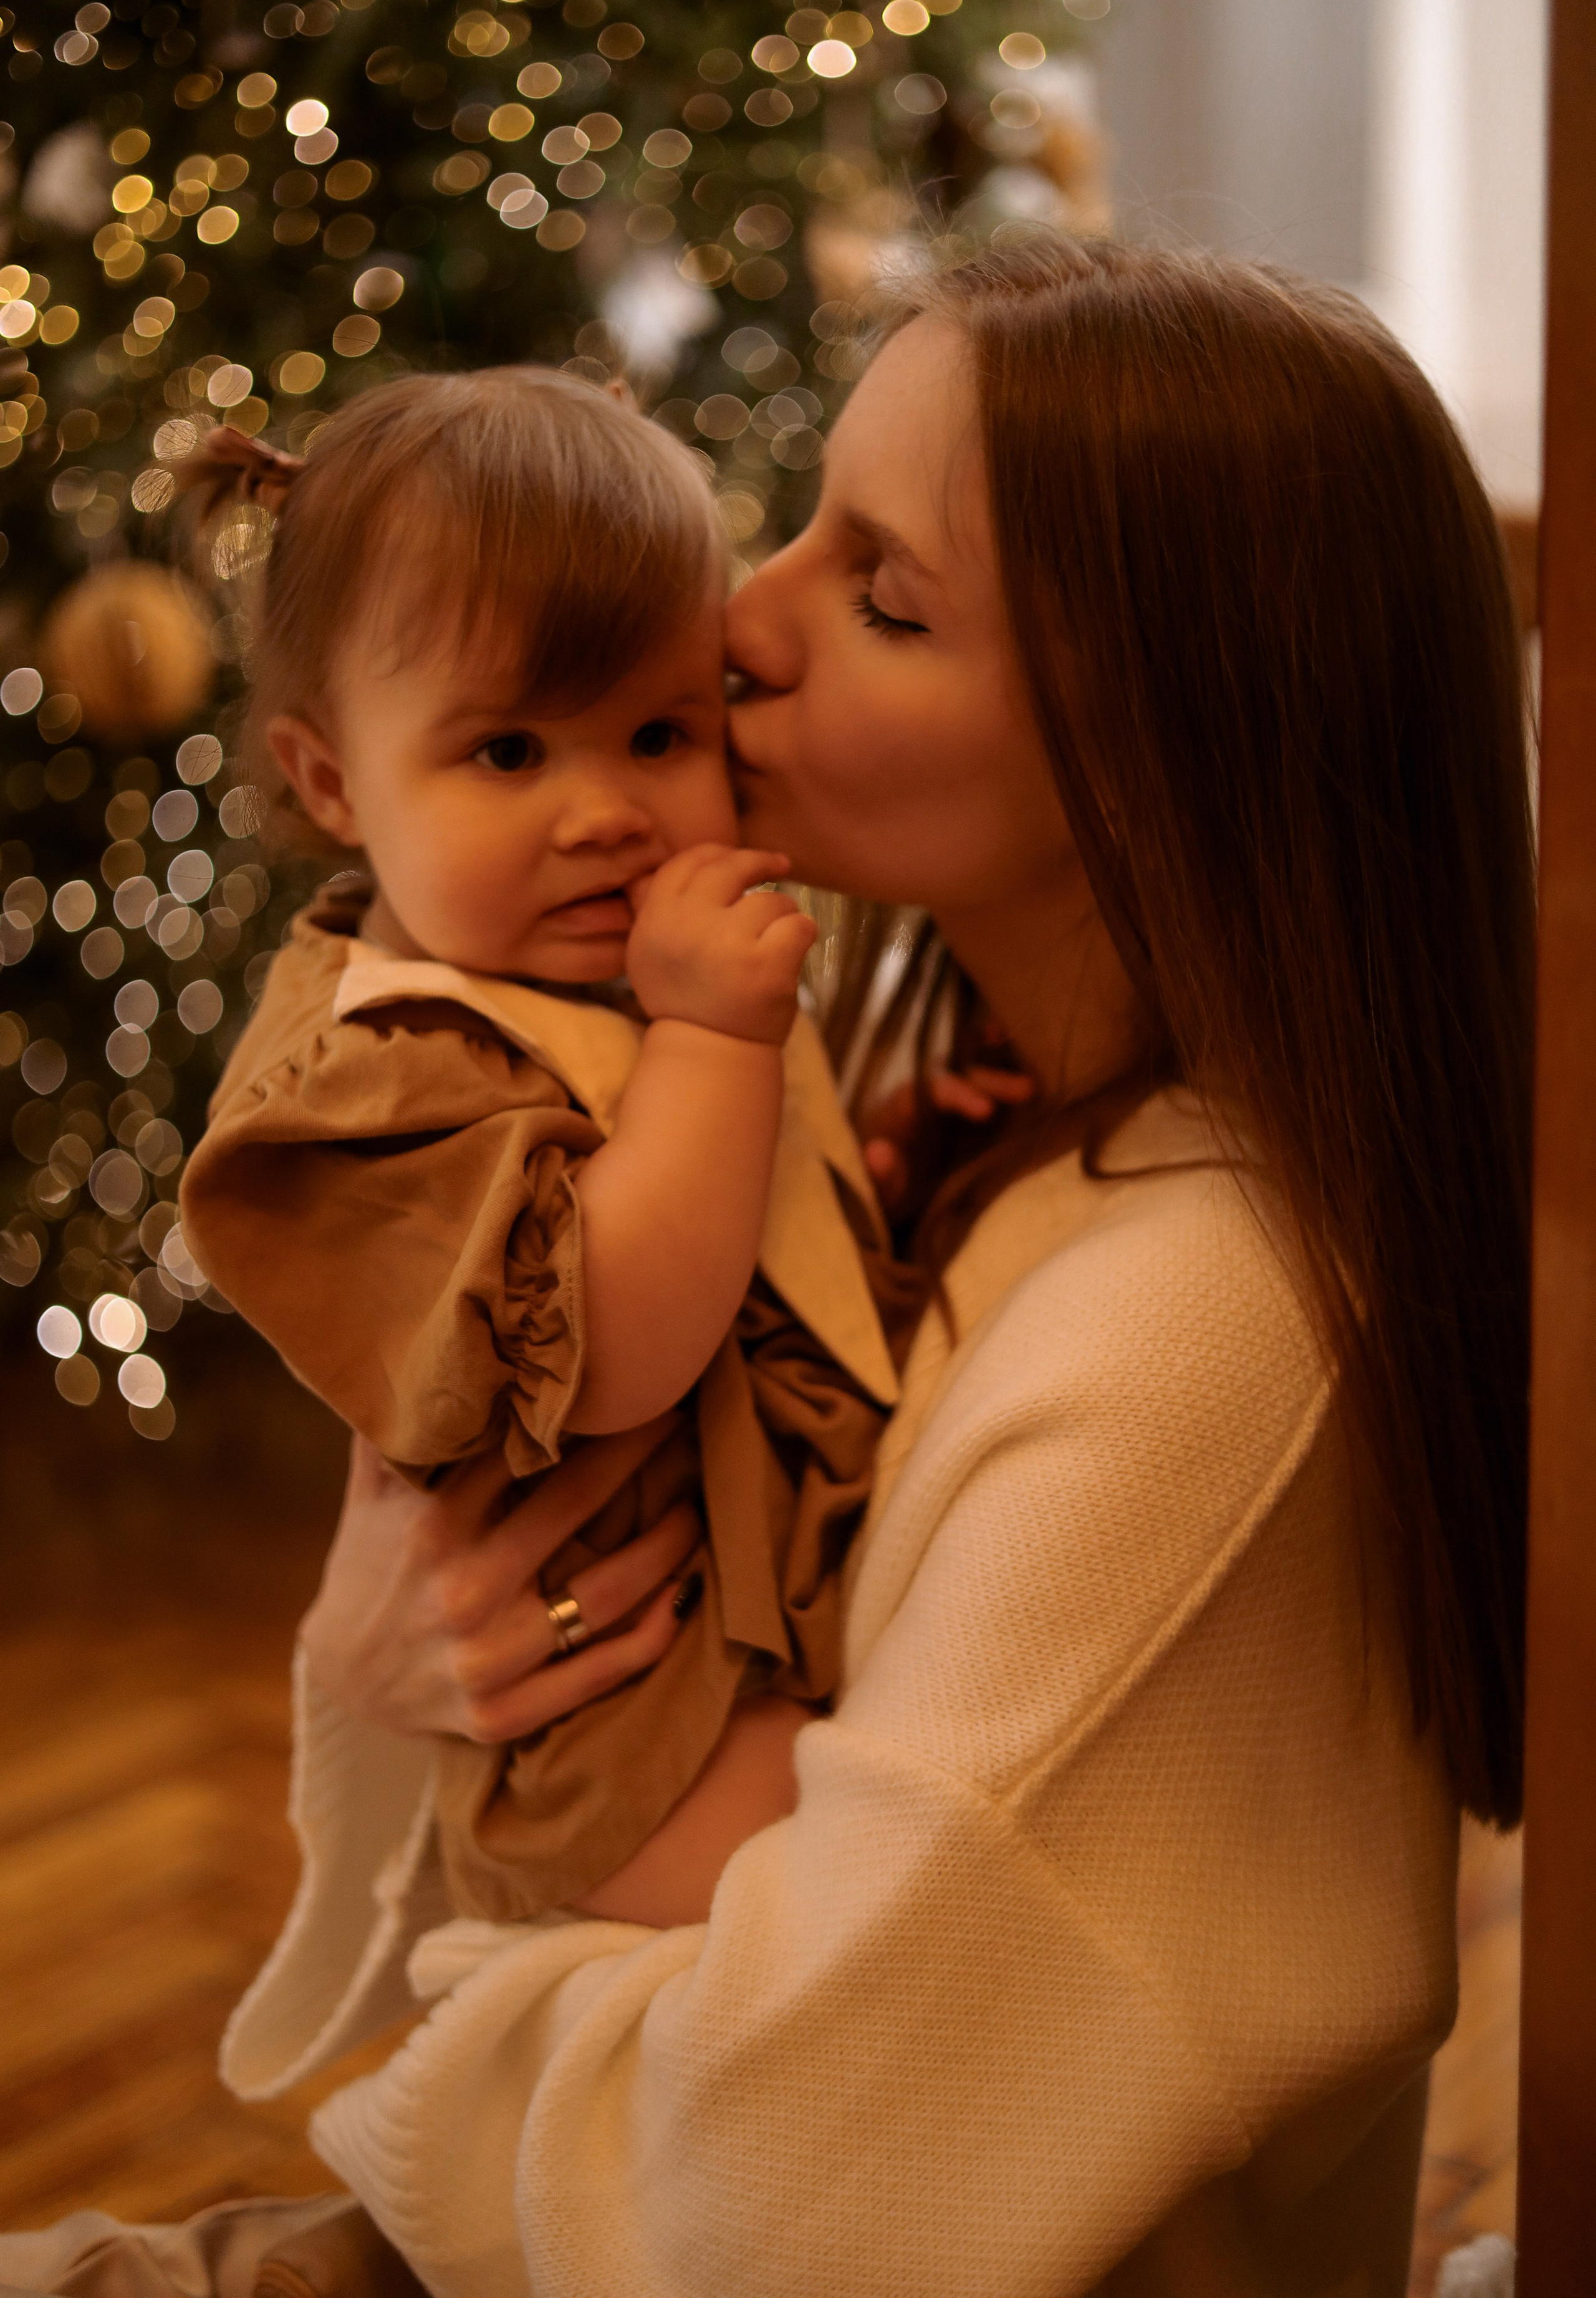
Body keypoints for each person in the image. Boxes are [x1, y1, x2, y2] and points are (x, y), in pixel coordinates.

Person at [2, 235, 1532, 2297]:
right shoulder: (943, 1086)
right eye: (802, 526)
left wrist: (442, 2023)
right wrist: (388, 1655)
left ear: (1164, 758)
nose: (735, 622)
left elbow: (764, 2192)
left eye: (884, 598)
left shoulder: (1199, 1345)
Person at [175, 372, 904, 1927]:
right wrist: (717, 1043)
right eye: (510, 755)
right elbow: (621, 1340)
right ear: (329, 783)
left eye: (657, 732)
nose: (605, 814)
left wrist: (876, 1160)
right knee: (885, 1934)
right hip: (630, 1742)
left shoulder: (586, 971)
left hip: (778, 1627)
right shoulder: (376, 1077)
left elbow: (743, 1231)